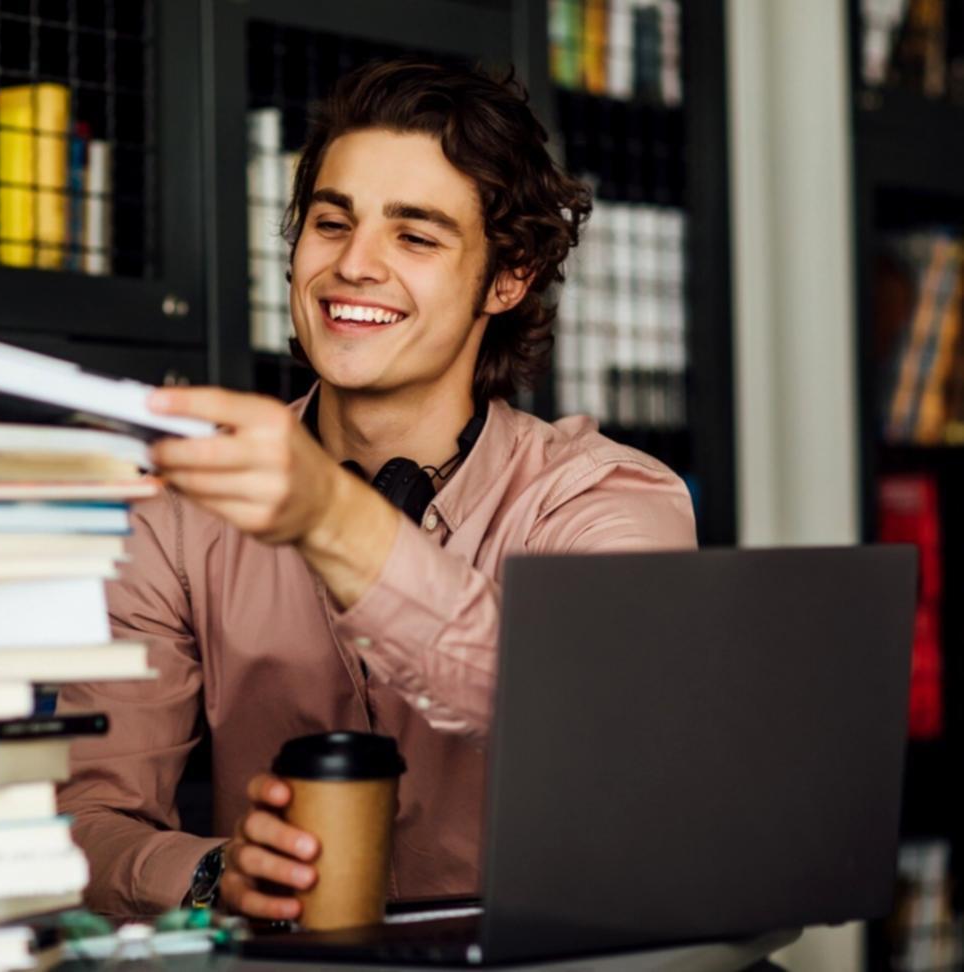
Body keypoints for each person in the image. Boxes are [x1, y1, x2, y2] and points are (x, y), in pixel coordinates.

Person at [56, 58, 697, 921]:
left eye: (416, 235)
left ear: (506, 279)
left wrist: (331, 517)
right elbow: (83, 820)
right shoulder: (176, 513)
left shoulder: (611, 500)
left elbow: (591, 723)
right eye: (331, 222)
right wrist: (211, 874)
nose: (354, 265)